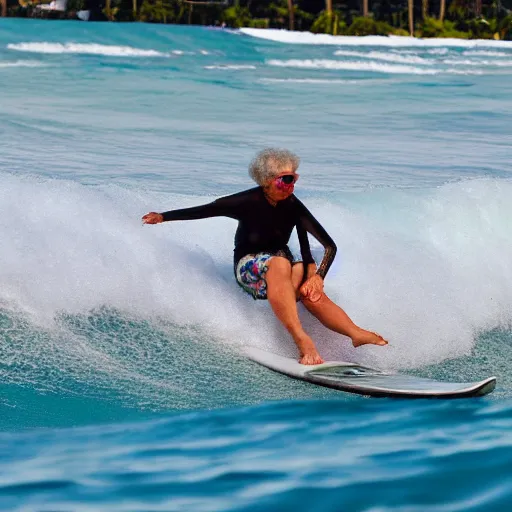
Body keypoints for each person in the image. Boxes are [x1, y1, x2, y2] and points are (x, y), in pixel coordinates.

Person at [142, 148, 387, 365]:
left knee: (310, 287)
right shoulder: (245, 201)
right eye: (286, 180)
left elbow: (329, 246)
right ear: (267, 180)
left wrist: (318, 277)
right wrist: (163, 216)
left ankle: (354, 333)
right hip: (250, 270)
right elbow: (206, 210)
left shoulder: (292, 204)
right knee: (280, 263)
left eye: (295, 178)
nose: (292, 185)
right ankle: (302, 341)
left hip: (282, 268)